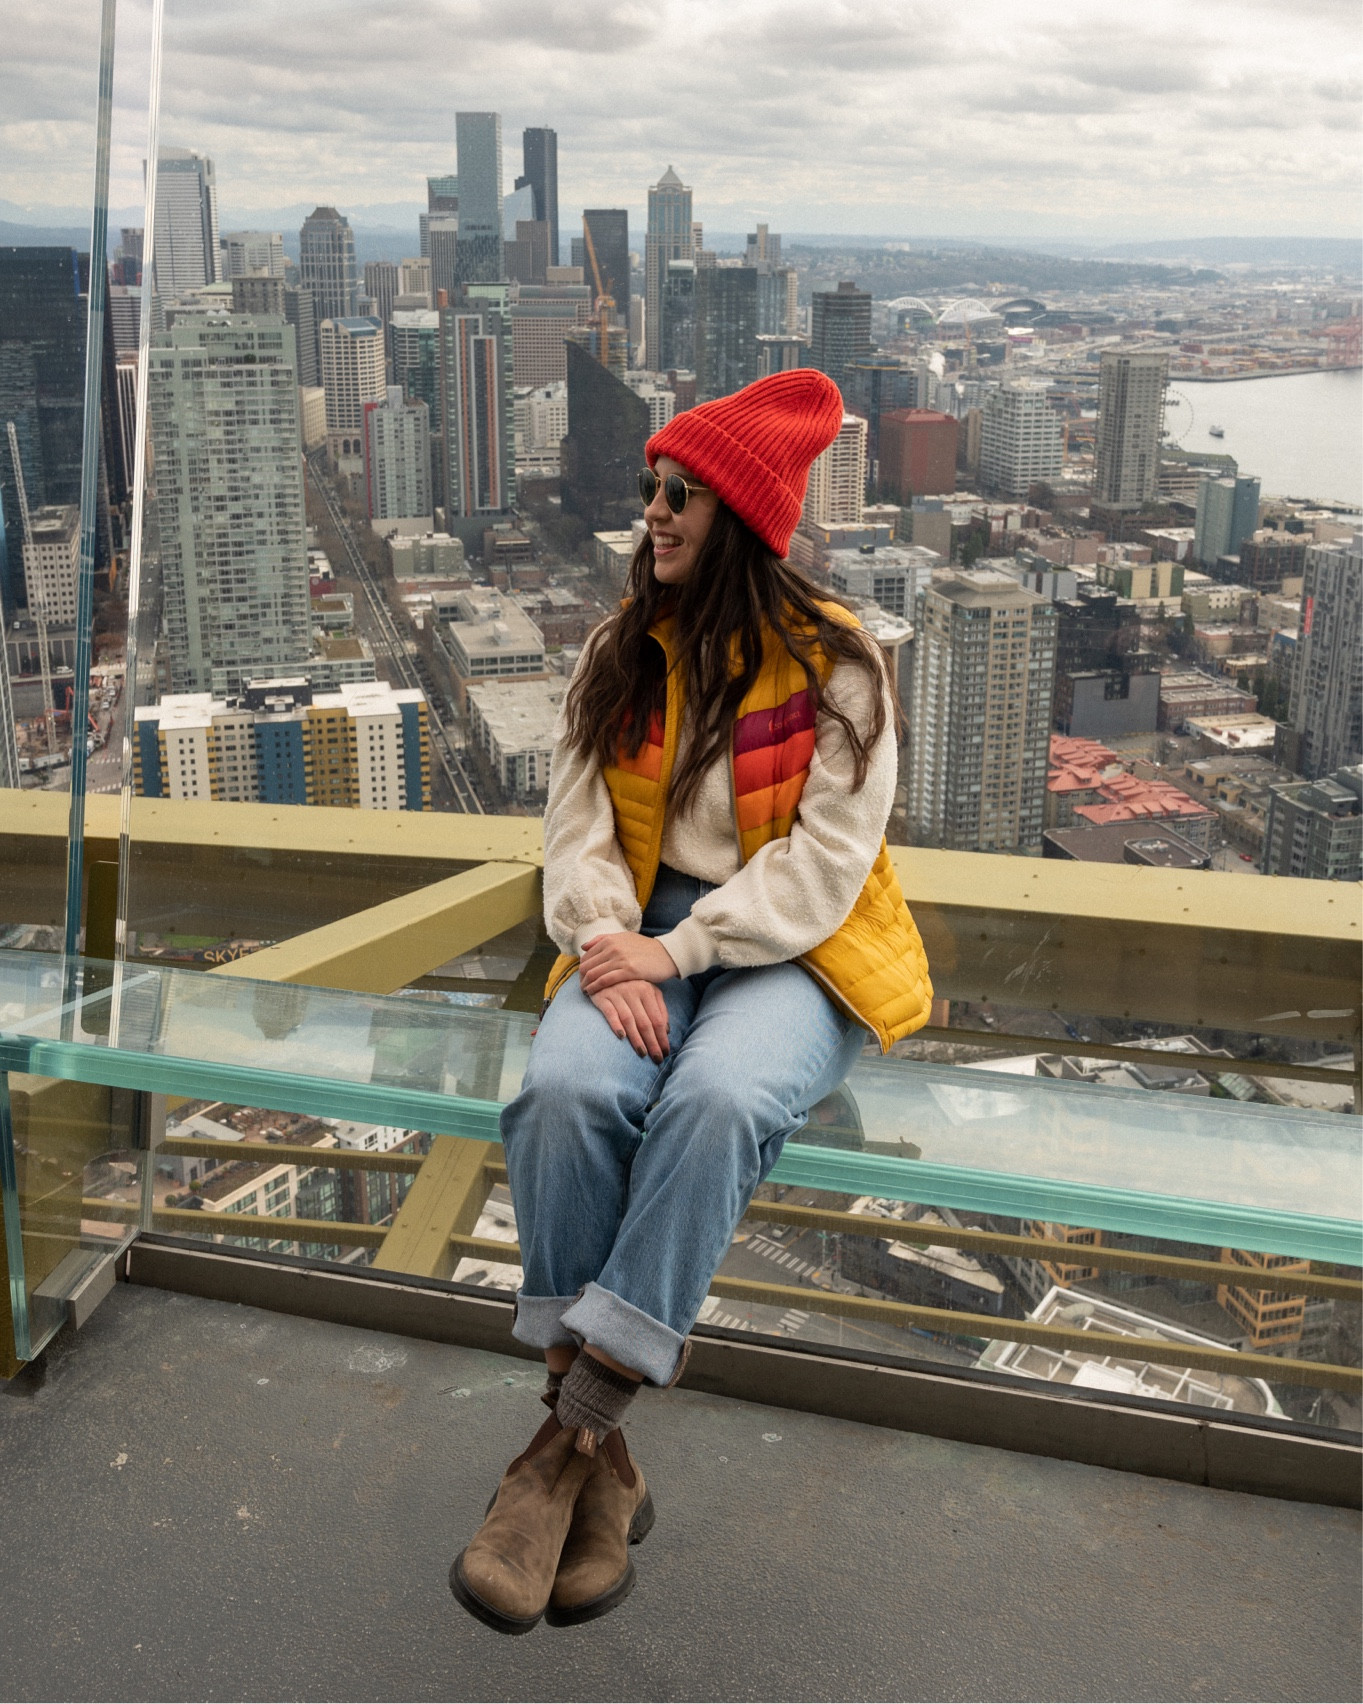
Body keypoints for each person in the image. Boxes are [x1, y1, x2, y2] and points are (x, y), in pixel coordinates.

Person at [449, 368, 933, 1635]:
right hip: (638, 931)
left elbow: (825, 869)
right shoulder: (623, 654)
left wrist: (683, 953)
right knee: (562, 1091)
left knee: (715, 1100)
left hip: (790, 952)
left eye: (679, 495)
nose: (651, 514)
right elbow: (577, 828)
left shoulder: (842, 671)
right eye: (649, 490)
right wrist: (615, 938)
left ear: (744, 516)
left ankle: (559, 1455)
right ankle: (602, 1477)